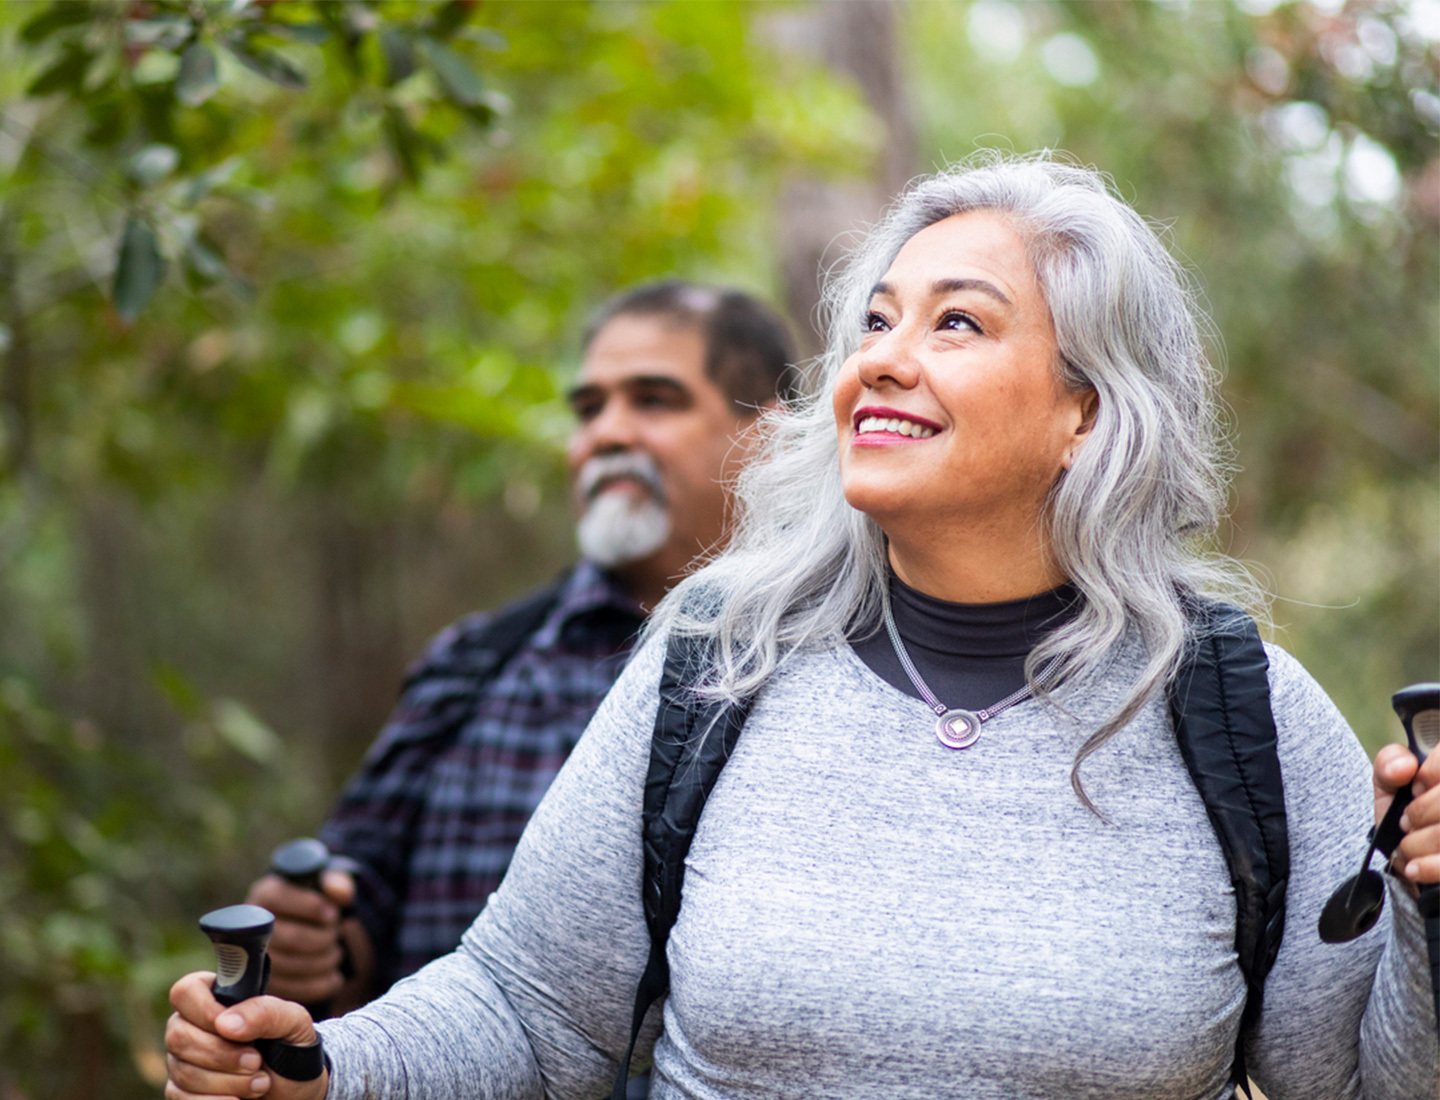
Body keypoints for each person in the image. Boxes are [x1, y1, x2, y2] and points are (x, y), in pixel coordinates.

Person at [165, 155, 1439, 1100]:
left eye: (957, 322)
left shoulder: (1234, 702)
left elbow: (1368, 1078)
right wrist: (325, 1066)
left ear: (1087, 415)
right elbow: (531, 1003)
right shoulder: (721, 654)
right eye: (876, 319)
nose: (880, 358)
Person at [243, 280, 795, 1015]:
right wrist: (314, 941)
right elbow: (360, 902)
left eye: (653, 400)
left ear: (770, 435)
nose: (608, 434)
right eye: (589, 409)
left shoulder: (840, 664)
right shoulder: (477, 663)